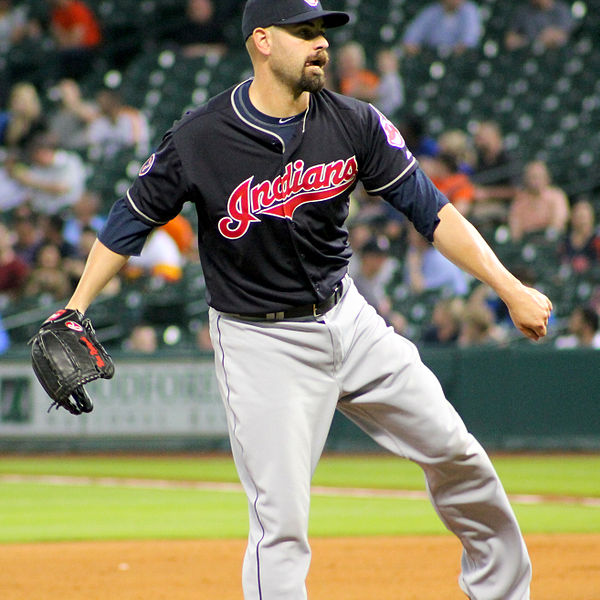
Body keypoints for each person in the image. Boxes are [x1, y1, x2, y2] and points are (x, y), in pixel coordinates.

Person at [56, 1, 552, 598]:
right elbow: (129, 220)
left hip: (350, 319)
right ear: (262, 41)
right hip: (262, 344)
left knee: (459, 454)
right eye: (303, 31)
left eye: (322, 31)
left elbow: (435, 212)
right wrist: (76, 305)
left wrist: (511, 288)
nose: (320, 43)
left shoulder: (354, 122)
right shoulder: (201, 136)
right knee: (281, 524)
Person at [508, 159, 570, 241]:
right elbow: (515, 229)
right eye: (532, 177)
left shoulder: (556, 196)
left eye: (538, 177)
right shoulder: (519, 201)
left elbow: (558, 223)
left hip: (551, 240)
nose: (535, 181)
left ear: (546, 177)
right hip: (527, 240)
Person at [401, 0, 482, 56]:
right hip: (431, 56)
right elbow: (410, 38)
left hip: (458, 59)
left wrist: (453, 52)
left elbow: (469, 42)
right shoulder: (432, 11)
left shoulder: (469, 10)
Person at [48, 0, 102, 80]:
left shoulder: (76, 9)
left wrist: (64, 39)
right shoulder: (56, 12)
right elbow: (57, 36)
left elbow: (77, 39)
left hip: (89, 49)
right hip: (69, 50)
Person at [505, 0, 575, 52]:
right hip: (527, 55)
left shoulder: (561, 9)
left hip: (555, 57)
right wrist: (531, 41)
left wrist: (550, 36)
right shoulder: (523, 12)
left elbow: (563, 36)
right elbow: (510, 40)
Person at [558, 198, 600, 275]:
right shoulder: (563, 241)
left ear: (592, 216)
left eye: (584, 216)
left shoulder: (597, 240)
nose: (581, 219)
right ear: (571, 216)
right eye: (578, 214)